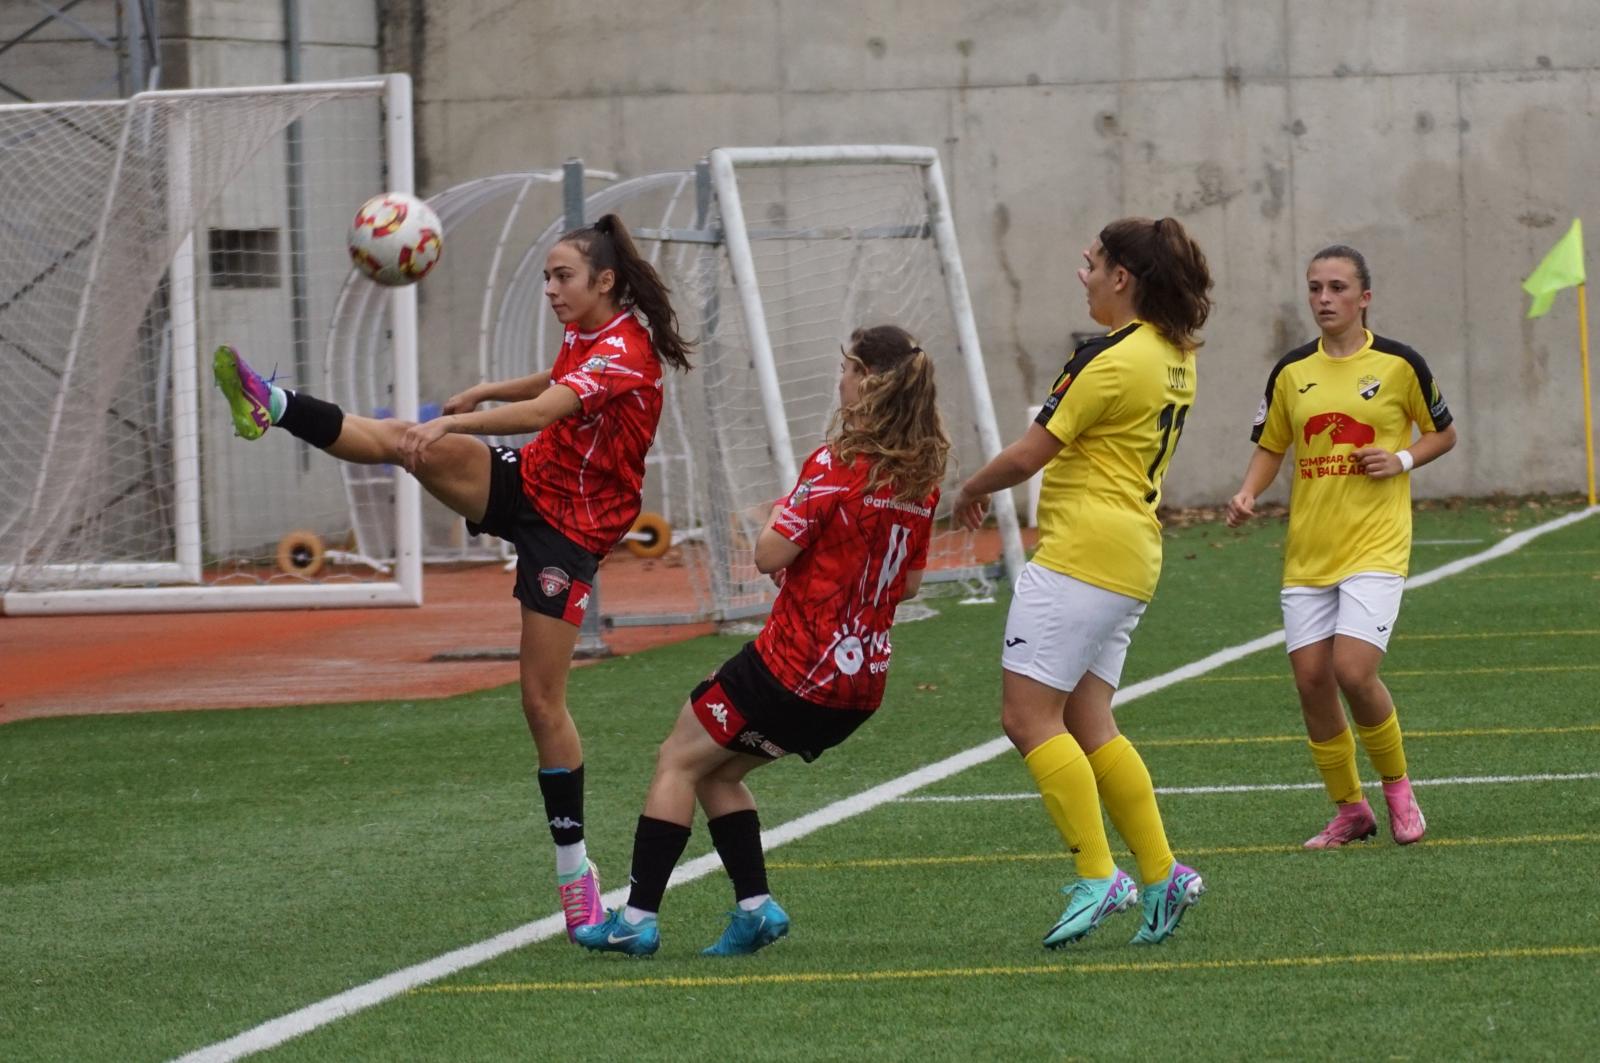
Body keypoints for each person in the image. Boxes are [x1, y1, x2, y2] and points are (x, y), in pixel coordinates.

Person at [211, 213, 693, 938]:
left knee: (539, 701)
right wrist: (483, 389)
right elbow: (553, 378)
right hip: (533, 482)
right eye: (546, 277)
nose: (551, 290)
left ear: (605, 281)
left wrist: (461, 421)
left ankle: (576, 872)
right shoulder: (588, 330)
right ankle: (272, 404)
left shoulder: (625, 349)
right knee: (406, 442)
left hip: (571, 532)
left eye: (562, 277)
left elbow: (547, 405)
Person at [573, 325, 947, 957]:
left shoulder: (837, 464)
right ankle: (756, 909)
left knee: (678, 758)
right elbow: (906, 585)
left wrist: (779, 518)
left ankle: (636, 919)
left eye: (847, 369)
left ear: (870, 383)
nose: (840, 381)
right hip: (860, 685)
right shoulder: (921, 480)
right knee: (720, 774)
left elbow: (769, 550)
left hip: (796, 666)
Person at [952, 217, 1212, 948]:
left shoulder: (1107, 358)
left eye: (1092, 262)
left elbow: (1030, 454)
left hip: (1081, 555)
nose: (1083, 273)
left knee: (1027, 717)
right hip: (1130, 556)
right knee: (1091, 721)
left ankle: (1100, 876)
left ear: (1123, 276)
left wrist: (967, 487)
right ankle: (1161, 873)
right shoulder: (1174, 353)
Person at [1226, 244, 1455, 849]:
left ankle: (1399, 791)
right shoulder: (1291, 371)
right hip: (1308, 552)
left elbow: (1444, 433)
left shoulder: (1401, 364)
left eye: (1336, 288)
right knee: (1311, 682)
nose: (1324, 299)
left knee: (1353, 671)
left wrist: (1401, 457)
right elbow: (1272, 445)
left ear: (1364, 298)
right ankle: (1350, 809)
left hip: (1376, 546)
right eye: (1315, 288)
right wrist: (1248, 492)